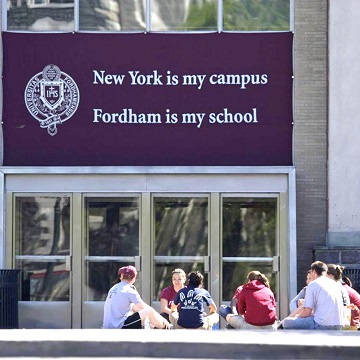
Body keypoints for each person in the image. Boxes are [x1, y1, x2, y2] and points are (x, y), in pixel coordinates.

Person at [103, 265, 172, 329]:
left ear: (121, 276)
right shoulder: (129, 290)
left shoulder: (113, 288)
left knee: (136, 310)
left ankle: (155, 327)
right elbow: (145, 308)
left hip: (108, 326)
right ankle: (166, 327)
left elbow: (135, 307)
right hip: (120, 326)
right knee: (149, 311)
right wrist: (163, 319)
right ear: (134, 278)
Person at [282, 261, 345, 330]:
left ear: (314, 272)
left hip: (321, 324)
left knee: (286, 322)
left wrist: (296, 317)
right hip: (339, 325)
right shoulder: (334, 284)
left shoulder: (313, 284)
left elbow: (307, 312)